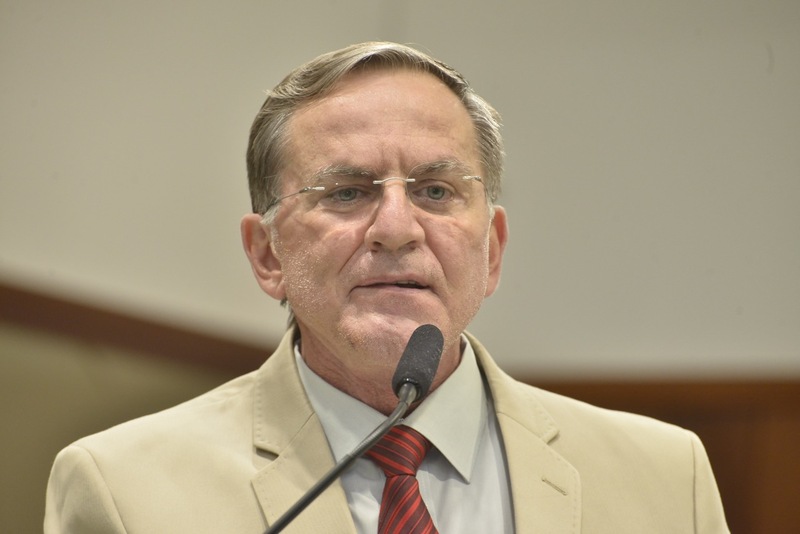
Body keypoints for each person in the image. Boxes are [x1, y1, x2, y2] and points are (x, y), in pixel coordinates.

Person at [44, 42, 729, 533]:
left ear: (491, 250)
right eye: (347, 192)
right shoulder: (124, 491)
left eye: (436, 190)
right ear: (267, 254)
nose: (397, 228)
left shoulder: (667, 480)